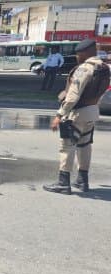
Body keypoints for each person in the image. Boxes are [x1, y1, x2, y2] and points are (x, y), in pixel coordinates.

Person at [43, 39, 110, 194]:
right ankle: (82, 180)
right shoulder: (104, 67)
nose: (77, 57)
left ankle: (63, 183)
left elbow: (72, 97)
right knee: (84, 146)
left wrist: (59, 115)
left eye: (78, 54)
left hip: (77, 113)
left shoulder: (84, 69)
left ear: (85, 53)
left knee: (67, 146)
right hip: (93, 111)